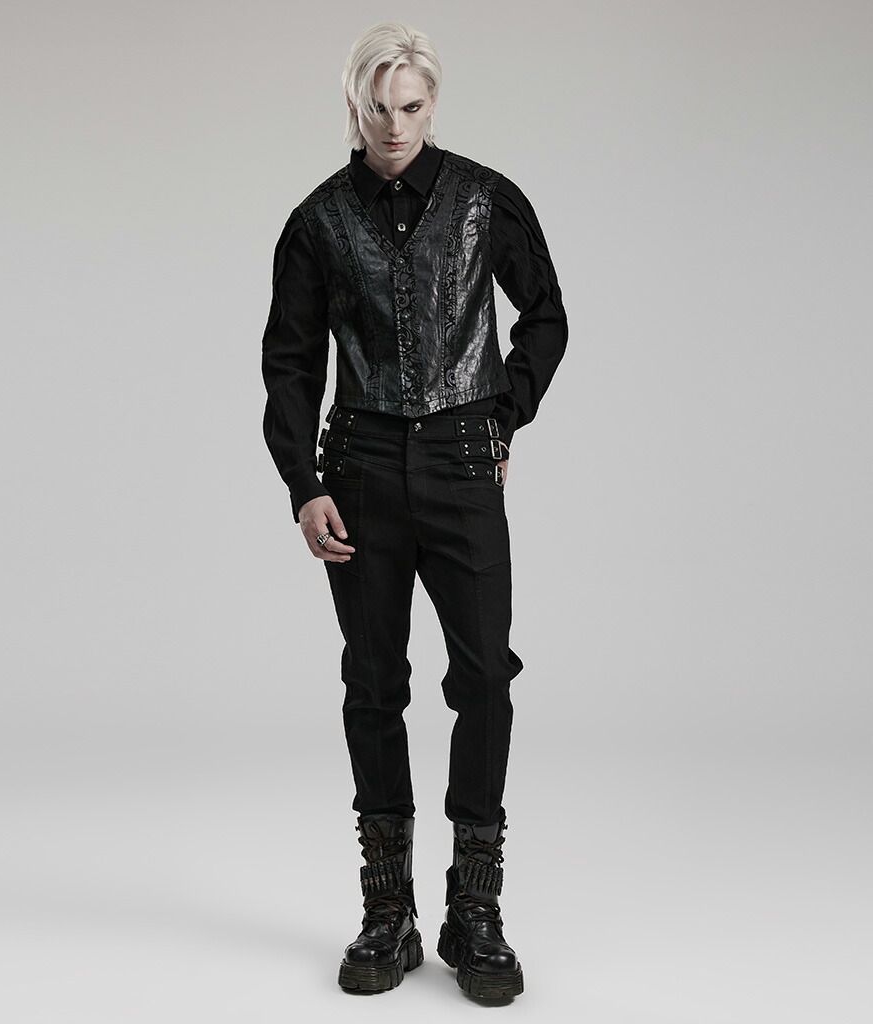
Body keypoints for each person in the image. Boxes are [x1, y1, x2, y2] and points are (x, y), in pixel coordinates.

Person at [260, 20, 568, 1000]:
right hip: (357, 469)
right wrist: (304, 484)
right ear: (353, 107)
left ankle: (474, 911)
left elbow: (546, 314)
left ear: (431, 104)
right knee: (372, 682)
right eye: (378, 107)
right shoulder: (317, 222)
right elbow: (290, 364)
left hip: (462, 461)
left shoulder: (484, 199)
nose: (395, 125)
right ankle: (387, 911)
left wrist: (505, 413)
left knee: (483, 679)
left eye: (412, 106)